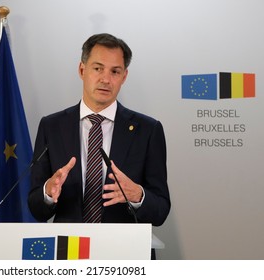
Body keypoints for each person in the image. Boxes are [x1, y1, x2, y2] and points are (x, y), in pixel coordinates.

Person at [28, 33, 170, 227]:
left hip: (125, 250)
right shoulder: (51, 126)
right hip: (70, 249)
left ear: (124, 76)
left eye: (115, 71)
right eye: (98, 68)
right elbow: (36, 209)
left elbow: (160, 211)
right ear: (82, 69)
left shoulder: (148, 130)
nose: (106, 79)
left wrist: (138, 195)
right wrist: (47, 193)